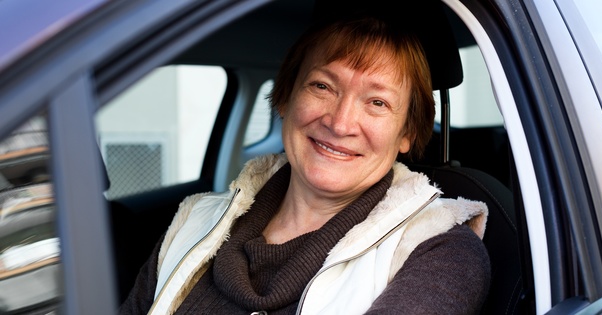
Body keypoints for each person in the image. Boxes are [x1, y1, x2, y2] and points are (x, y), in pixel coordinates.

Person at [119, 13, 491, 315]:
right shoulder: (192, 222)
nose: (340, 123)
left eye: (377, 103)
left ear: (407, 133)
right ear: (285, 98)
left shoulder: (439, 251)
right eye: (322, 86)